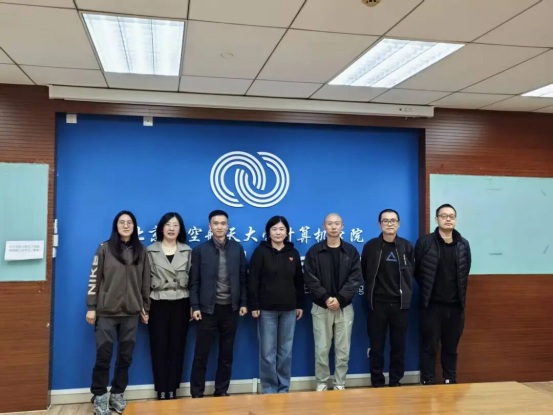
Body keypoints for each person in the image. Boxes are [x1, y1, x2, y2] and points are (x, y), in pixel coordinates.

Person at [85, 211, 150, 415]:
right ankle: (99, 396)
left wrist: (145, 307)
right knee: (103, 356)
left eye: (129, 222)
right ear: (116, 226)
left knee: (125, 357)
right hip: (106, 312)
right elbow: (94, 278)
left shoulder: (142, 251)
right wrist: (91, 307)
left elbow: (146, 282)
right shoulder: (104, 248)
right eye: (122, 222)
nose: (126, 225)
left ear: (134, 226)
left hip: (131, 312)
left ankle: (117, 394)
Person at [189, 210, 248, 398]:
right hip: (207, 310)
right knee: (201, 355)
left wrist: (243, 302)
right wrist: (195, 306)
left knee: (226, 354)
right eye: (216, 223)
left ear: (227, 226)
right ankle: (197, 393)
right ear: (210, 226)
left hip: (230, 309)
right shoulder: (200, 250)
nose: (219, 227)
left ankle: (221, 390)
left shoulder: (237, 249)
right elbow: (194, 281)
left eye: (223, 223)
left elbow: (243, 278)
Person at [304, 213, 362, 391]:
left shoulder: (351, 251)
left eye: (337, 223)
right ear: (324, 226)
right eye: (330, 224)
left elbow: (355, 278)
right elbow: (310, 278)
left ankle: (339, 383)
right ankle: (321, 382)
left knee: (343, 349)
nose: (333, 227)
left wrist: (340, 299)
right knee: (322, 349)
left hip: (344, 307)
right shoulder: (314, 251)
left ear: (342, 226)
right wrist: (326, 298)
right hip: (321, 307)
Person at [415, 204, 472, 385]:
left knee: (451, 347)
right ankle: (428, 380)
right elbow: (417, 272)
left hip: (455, 306)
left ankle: (450, 379)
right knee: (429, 346)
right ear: (436, 219)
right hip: (432, 305)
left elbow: (465, 270)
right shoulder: (425, 242)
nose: (448, 219)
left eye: (452, 216)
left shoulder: (463, 244)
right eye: (444, 216)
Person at [249, 216, 304, 394]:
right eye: (274, 229)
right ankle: (269, 389)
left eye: (281, 229)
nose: (278, 232)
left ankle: (283, 388)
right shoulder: (260, 252)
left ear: (287, 232)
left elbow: (299, 281)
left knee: (285, 352)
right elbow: (253, 280)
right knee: (267, 353)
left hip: (289, 310)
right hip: (266, 310)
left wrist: (299, 305)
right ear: (268, 232)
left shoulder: (293, 253)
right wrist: (254, 305)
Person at [361, 209, 414, 388]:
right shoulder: (371, 246)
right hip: (377, 304)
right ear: (379, 224)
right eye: (385, 221)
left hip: (400, 305)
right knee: (376, 347)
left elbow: (413, 273)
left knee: (398, 347)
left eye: (393, 221)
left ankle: (395, 381)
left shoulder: (407, 247)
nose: (389, 224)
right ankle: (377, 381)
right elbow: (364, 271)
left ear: (398, 224)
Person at [147, 212, 191, 400]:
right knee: (158, 347)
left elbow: (193, 280)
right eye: (167, 225)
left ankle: (173, 388)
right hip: (157, 302)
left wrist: (193, 305)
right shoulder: (150, 251)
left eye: (175, 225)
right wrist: (144, 307)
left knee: (177, 347)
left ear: (180, 229)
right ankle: (161, 389)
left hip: (181, 302)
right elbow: (143, 282)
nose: (171, 228)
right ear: (161, 228)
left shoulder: (187, 251)